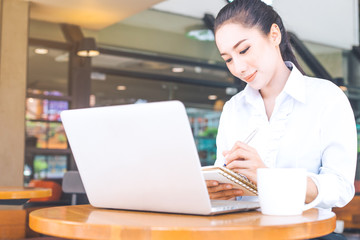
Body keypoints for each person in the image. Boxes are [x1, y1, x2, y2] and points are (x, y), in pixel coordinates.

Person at [206, 0, 357, 226]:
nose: (239, 68)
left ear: (274, 35)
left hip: (307, 234)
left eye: (244, 50)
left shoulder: (326, 98)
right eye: (228, 59)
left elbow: (341, 187)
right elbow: (225, 178)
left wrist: (267, 177)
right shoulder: (233, 109)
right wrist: (218, 189)